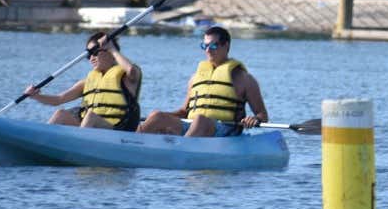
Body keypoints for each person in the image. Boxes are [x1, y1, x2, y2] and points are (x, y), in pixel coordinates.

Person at [137, 26, 269, 137]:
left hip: (225, 129)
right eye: (204, 46)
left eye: (213, 45)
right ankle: (129, 143)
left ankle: (180, 151)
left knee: (201, 120)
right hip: (193, 126)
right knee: (157, 115)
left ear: (226, 46)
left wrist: (254, 119)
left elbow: (262, 115)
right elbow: (184, 111)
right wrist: (159, 117)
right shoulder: (195, 78)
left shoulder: (245, 79)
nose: (207, 50)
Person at [23, 33, 142, 131]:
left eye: (95, 52)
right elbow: (59, 99)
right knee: (61, 114)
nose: (91, 58)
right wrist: (36, 96)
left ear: (110, 52)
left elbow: (131, 70)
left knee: (91, 116)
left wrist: (112, 49)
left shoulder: (126, 76)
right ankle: (43, 141)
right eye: (89, 55)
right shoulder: (86, 82)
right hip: (89, 129)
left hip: (116, 129)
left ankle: (77, 146)